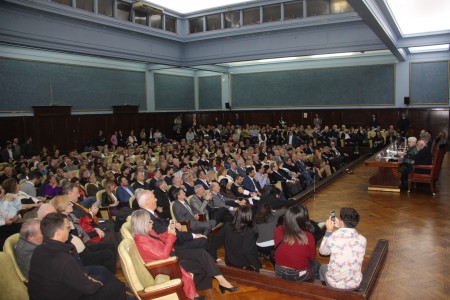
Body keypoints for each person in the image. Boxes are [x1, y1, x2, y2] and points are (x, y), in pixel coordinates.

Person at [131, 210, 239, 300]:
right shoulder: (141, 240)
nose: (152, 222)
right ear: (142, 224)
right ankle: (200, 291)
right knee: (201, 265)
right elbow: (163, 255)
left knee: (201, 253)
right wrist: (171, 236)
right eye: (149, 222)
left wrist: (169, 232)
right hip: (166, 264)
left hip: (171, 254)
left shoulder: (148, 233)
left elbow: (162, 239)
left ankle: (221, 281)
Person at [28, 212, 127, 300]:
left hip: (49, 294)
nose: (70, 229)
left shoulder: (39, 250)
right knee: (117, 287)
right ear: (58, 232)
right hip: (67, 295)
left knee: (107, 279)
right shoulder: (63, 259)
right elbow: (90, 288)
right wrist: (98, 283)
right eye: (67, 228)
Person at [136, 189, 208, 250]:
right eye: (154, 198)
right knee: (202, 239)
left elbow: (163, 221)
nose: (156, 199)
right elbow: (168, 233)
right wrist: (193, 236)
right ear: (148, 201)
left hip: (174, 237)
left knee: (200, 232)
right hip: (174, 245)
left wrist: (173, 222)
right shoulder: (148, 218)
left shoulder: (148, 213)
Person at [319, 207, 366, 290]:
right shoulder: (362, 239)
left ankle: (325, 292)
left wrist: (329, 231)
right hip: (355, 284)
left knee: (323, 267)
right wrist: (342, 226)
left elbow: (323, 252)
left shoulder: (333, 238)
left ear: (342, 221)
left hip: (335, 285)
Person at [273, 204, 320, 282]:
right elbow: (312, 257)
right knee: (316, 264)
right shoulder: (308, 236)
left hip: (279, 271)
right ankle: (316, 285)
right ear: (303, 219)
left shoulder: (278, 230)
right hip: (298, 275)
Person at [210, 205, 262, 271]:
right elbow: (247, 251)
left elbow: (215, 240)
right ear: (249, 217)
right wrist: (257, 265)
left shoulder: (227, 226)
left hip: (229, 261)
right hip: (245, 264)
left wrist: (213, 257)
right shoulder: (249, 231)